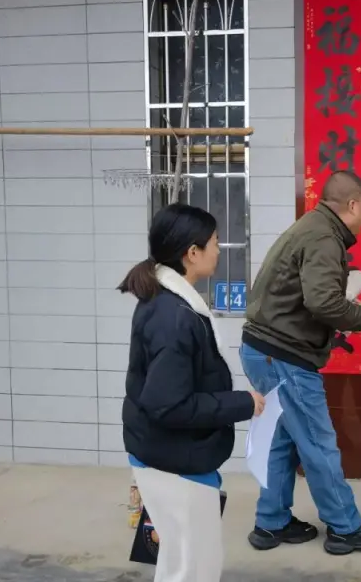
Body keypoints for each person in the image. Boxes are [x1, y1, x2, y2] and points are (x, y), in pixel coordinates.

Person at [239, 170, 361, 556]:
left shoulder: (311, 226)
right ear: (353, 205)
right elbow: (323, 301)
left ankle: (271, 523)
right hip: (284, 356)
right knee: (317, 442)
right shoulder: (325, 237)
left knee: (282, 439)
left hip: (263, 350)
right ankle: (345, 527)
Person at [119, 204, 266, 582]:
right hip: (172, 461)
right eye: (214, 242)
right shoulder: (174, 317)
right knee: (192, 568)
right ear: (192, 253)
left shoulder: (169, 302)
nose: (219, 249)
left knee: (185, 562)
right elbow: (168, 404)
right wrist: (242, 403)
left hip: (168, 453)